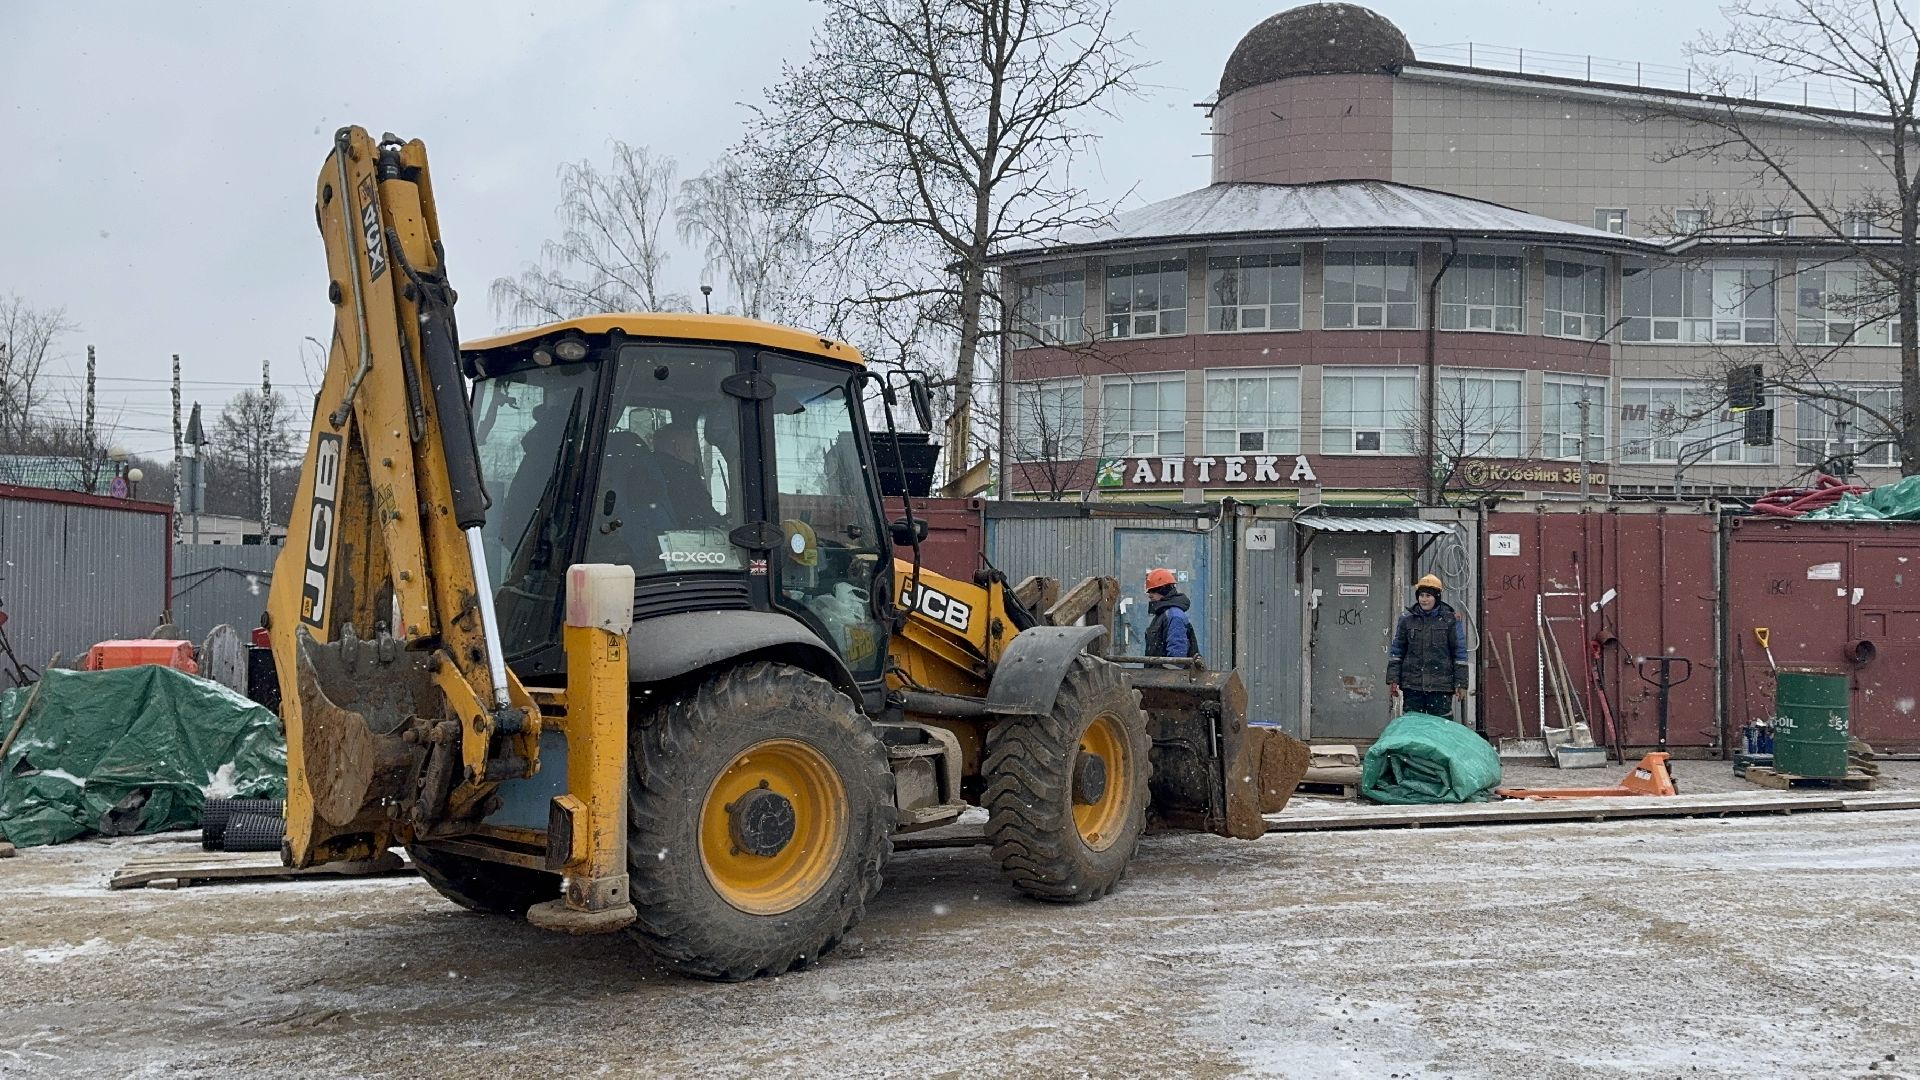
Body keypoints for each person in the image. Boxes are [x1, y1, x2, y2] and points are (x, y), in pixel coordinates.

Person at [1386, 574, 1468, 719]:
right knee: (1413, 726)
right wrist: (1393, 679)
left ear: (1437, 597)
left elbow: (1459, 653)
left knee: (1440, 728)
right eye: (1421, 595)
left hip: (1440, 687)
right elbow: (1397, 650)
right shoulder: (1407, 620)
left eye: (1428, 595)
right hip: (1413, 686)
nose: (1424, 599)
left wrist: (1461, 683)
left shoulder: (1450, 620)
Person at [1143, 567, 1199, 659]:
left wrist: (1167, 673)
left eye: (1153, 590)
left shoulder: (1174, 615)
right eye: (1149, 591)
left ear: (1163, 590)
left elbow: (1177, 659)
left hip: (1170, 673)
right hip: (1160, 672)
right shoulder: (1163, 614)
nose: (1149, 595)